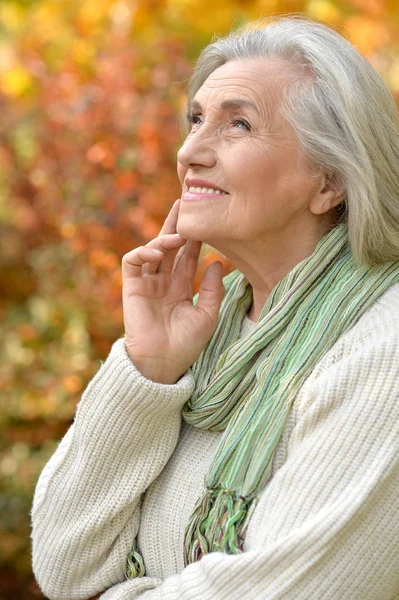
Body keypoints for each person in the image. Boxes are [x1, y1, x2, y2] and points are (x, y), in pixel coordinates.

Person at [31, 14, 399, 600]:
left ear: (329, 181)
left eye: (238, 125)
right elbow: (64, 566)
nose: (190, 151)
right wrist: (147, 371)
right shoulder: (205, 331)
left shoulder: (382, 353)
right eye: (196, 119)